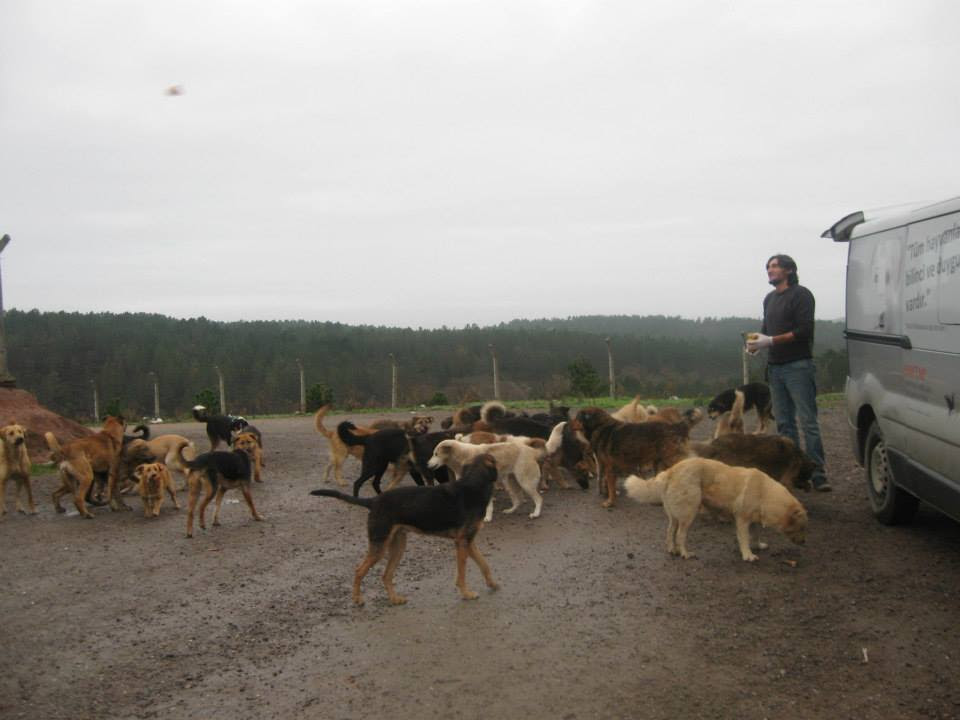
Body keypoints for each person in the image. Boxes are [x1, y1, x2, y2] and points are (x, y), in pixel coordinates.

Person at [747, 254, 831, 492]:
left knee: (808, 421)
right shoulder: (769, 299)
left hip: (798, 366)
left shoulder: (802, 295)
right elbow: (766, 330)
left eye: (774, 266)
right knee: (784, 423)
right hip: (775, 368)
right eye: (768, 267)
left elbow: (804, 330)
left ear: (789, 270)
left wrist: (770, 341)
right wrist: (755, 344)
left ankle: (817, 473)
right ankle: (793, 472)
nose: (769, 270)